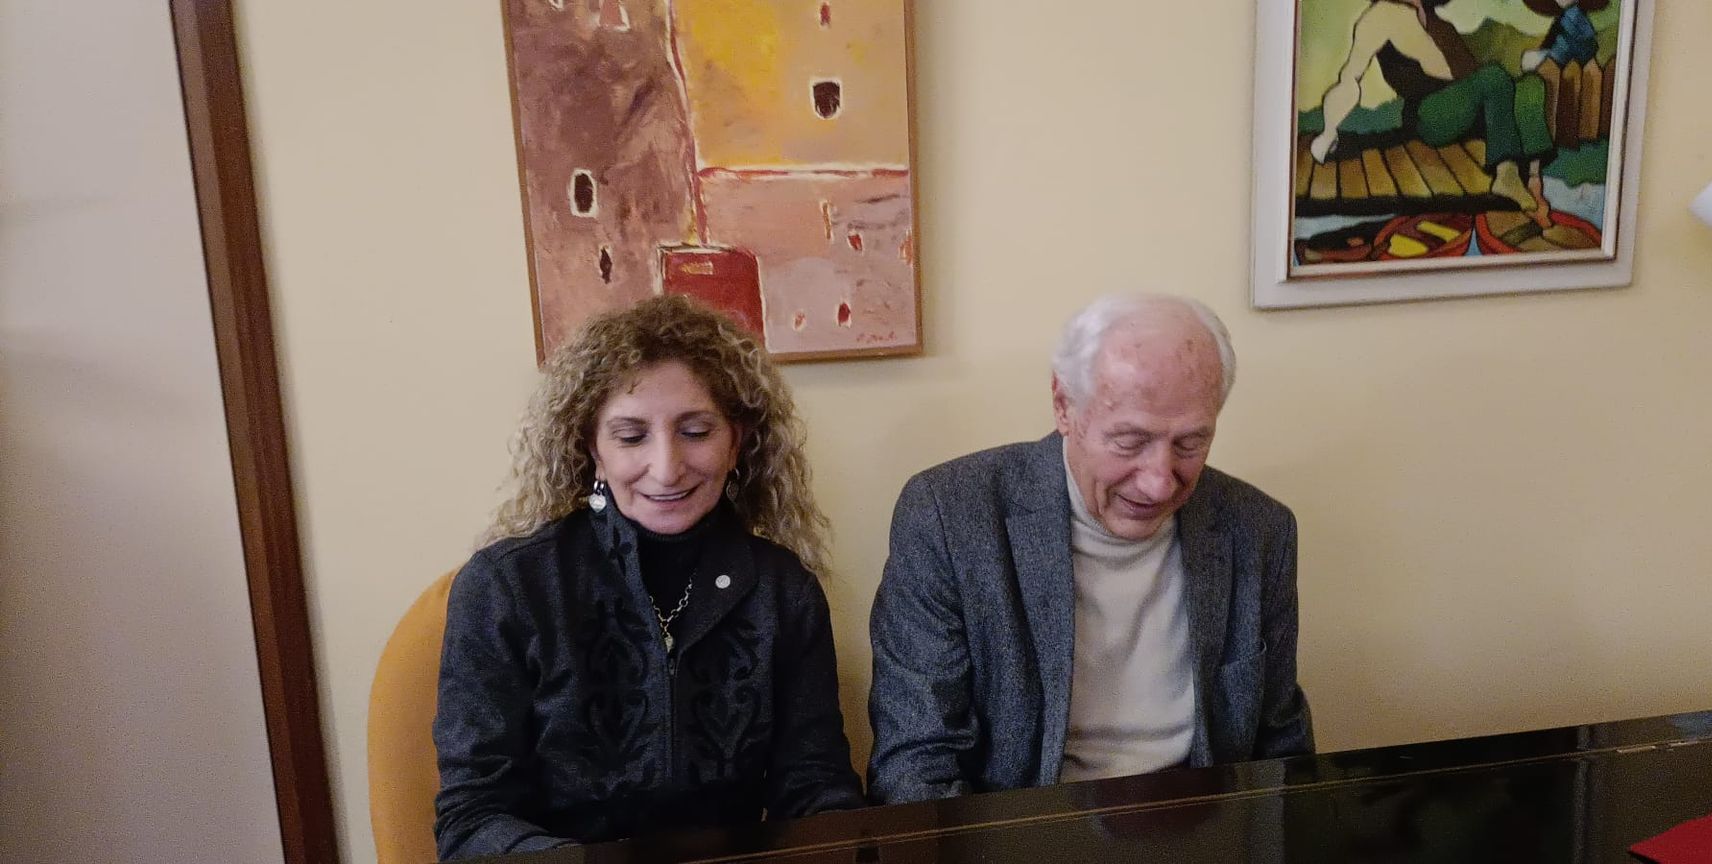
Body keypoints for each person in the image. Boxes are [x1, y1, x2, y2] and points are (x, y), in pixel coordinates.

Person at [433, 296, 863, 859]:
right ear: (593, 449)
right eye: (631, 437)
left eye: (696, 431)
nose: (666, 468)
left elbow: (815, 786)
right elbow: (472, 819)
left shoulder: (782, 590)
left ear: (736, 441)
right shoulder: (506, 588)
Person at [867, 294, 1312, 805]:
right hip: (1024, 829)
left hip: (1204, 822)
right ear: (1064, 406)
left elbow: (1282, 749)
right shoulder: (951, 517)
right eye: (1129, 441)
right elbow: (918, 761)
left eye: (1190, 444)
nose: (1159, 483)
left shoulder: (1259, 530)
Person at [1309, 0, 1555, 228]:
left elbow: (1471, 80)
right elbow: (1350, 78)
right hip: (1429, 115)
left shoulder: (1439, 24)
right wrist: (1328, 131)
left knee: (1531, 85)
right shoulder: (1381, 15)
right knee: (1493, 77)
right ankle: (1506, 174)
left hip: (1463, 110)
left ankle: (1534, 181)